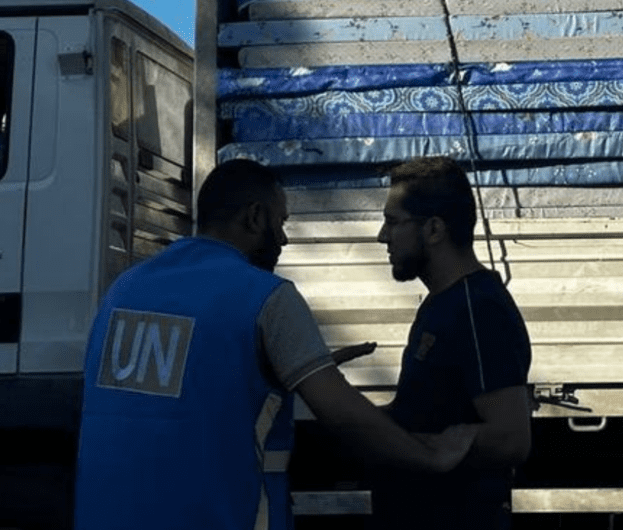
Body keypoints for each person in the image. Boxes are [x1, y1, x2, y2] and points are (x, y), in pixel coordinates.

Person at [74, 158, 477, 530]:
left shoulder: (124, 289)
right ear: (254, 216)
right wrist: (431, 457)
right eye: (281, 222)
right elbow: (342, 415)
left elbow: (185, 390)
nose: (283, 238)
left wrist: (284, 369)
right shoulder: (265, 296)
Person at [368, 156, 532, 530]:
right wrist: (347, 415)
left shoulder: (479, 310)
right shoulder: (442, 304)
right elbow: (425, 414)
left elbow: (511, 438)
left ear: (434, 229)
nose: (382, 235)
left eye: (393, 221)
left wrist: (440, 446)